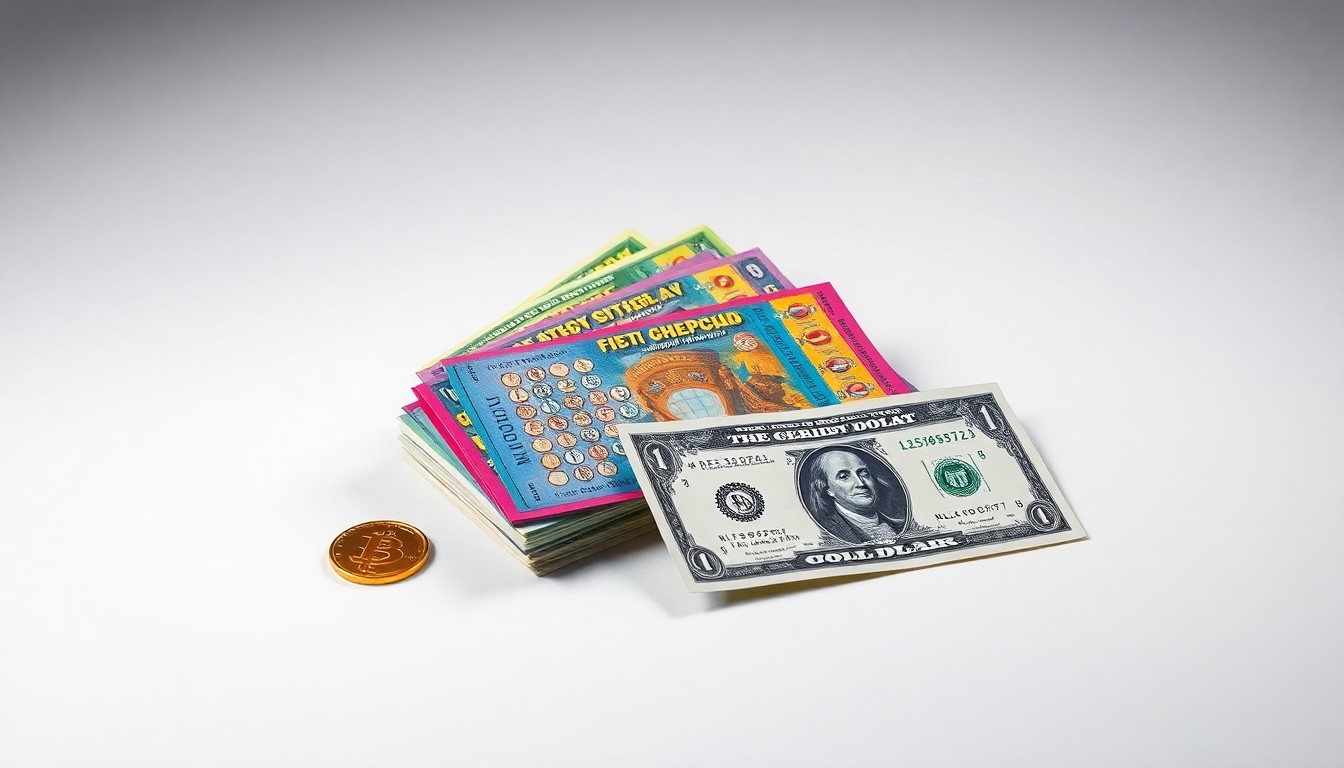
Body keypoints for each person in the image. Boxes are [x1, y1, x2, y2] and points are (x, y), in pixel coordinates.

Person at [802, 447, 907, 543]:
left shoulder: (899, 525)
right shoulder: (826, 534)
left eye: (863, 473)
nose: (861, 483)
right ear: (827, 489)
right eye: (844, 476)